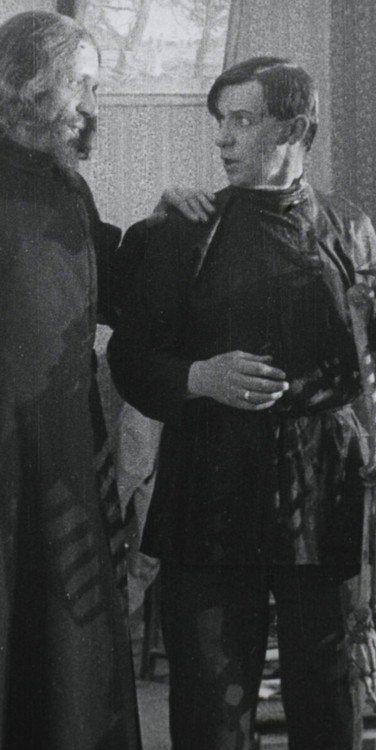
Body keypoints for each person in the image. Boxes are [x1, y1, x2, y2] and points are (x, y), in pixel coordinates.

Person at [108, 57, 376, 750]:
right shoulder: (182, 231)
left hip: (320, 487)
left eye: (242, 120)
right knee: (212, 695)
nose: (223, 138)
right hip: (210, 487)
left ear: (292, 128)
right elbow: (130, 360)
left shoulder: (351, 229)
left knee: (327, 690)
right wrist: (197, 377)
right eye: (220, 121)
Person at [0, 11, 211, 749]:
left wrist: (159, 226)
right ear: (30, 84)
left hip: (63, 441)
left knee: (66, 638)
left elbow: (111, 290)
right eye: (82, 85)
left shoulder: (68, 187)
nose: (93, 105)